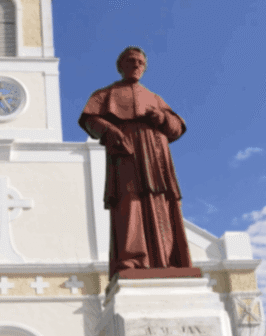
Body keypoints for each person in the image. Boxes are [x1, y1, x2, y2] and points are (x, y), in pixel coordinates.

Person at [79, 46, 194, 279]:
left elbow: (177, 128)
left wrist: (161, 117)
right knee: (129, 203)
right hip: (126, 153)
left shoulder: (154, 97)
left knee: (161, 203)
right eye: (131, 61)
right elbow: (90, 119)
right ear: (121, 66)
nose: (136, 65)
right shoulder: (105, 94)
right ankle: (132, 259)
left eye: (141, 62)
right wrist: (109, 131)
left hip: (156, 157)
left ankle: (167, 259)